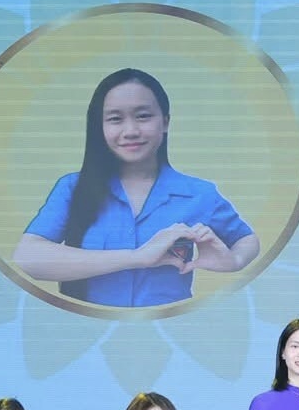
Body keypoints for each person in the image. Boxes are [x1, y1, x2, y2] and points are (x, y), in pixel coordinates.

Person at [14, 68, 259, 308]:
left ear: (165, 122)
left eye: (143, 116)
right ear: (100, 127)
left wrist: (234, 261)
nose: (130, 131)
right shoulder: (71, 188)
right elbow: (28, 257)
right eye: (115, 119)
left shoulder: (199, 194)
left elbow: (246, 239)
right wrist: (137, 257)